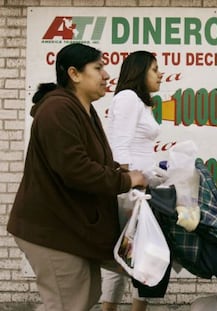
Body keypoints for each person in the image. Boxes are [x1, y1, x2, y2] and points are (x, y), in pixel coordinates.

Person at [7, 43, 148, 311]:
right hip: (52, 231)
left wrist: (121, 172)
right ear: (74, 74)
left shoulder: (81, 110)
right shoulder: (57, 111)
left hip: (67, 227)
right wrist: (128, 180)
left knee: (82, 295)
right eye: (98, 68)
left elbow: (92, 163)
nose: (106, 75)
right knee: (69, 303)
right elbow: (77, 170)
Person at [101, 51, 168, 311]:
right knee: (135, 253)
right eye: (154, 69)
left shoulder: (139, 102)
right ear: (139, 73)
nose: (160, 73)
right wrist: (130, 183)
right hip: (132, 191)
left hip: (140, 188)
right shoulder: (128, 98)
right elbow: (120, 146)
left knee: (131, 252)